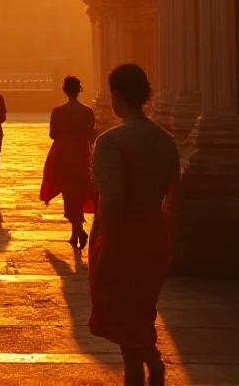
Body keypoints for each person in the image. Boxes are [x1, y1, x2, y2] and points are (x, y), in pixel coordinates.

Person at [89, 64, 180, 386]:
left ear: (116, 96)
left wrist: (103, 254)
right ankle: (154, 364)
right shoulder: (166, 140)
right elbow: (173, 198)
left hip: (123, 239)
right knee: (142, 311)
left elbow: (112, 203)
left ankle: (143, 373)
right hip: (154, 236)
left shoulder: (111, 141)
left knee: (127, 319)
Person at [40, 75, 95, 248]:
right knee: (78, 191)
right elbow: (89, 133)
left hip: (63, 153)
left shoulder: (58, 111)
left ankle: (78, 232)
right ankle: (75, 232)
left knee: (69, 192)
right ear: (79, 90)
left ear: (64, 90)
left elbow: (53, 134)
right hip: (80, 153)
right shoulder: (87, 111)